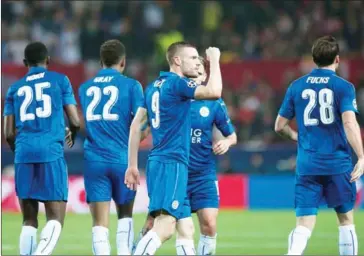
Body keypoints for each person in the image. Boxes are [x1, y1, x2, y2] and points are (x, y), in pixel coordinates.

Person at [125, 42, 223, 255]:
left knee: (179, 225)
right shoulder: (177, 84)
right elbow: (214, 91)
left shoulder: (153, 87)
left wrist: (132, 165)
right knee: (166, 227)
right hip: (173, 162)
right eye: (194, 57)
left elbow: (135, 127)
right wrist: (214, 60)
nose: (198, 61)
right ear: (177, 60)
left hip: (156, 161)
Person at [275, 35, 363, 255]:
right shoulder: (344, 86)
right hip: (337, 163)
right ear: (337, 59)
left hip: (307, 164)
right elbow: (350, 122)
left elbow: (279, 126)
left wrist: (297, 137)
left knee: (303, 223)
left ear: (314, 59)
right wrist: (361, 156)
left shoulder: (296, 86)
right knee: (345, 219)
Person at [3, 41, 80, 255]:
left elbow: (8, 133)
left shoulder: (14, 88)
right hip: (51, 153)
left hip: (23, 154)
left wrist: (20, 150)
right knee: (55, 218)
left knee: (28, 220)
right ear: (48, 60)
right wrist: (71, 134)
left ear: (25, 63)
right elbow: (74, 120)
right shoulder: (60, 81)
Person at [78, 39, 146, 255]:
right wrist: (137, 138)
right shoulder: (132, 86)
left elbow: (81, 123)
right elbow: (142, 125)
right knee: (125, 216)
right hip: (122, 160)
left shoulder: (85, 88)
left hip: (94, 160)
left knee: (99, 223)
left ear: (100, 62)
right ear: (123, 62)